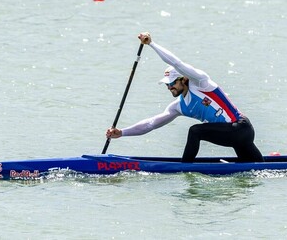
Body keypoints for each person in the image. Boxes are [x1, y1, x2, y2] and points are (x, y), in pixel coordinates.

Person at [106, 32, 264, 163]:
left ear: (184, 79)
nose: (169, 87)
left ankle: (185, 167)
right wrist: (122, 133)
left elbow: (177, 63)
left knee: (195, 131)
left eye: (172, 83)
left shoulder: (201, 83)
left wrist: (152, 44)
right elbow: (151, 124)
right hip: (234, 136)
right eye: (167, 85)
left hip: (240, 127)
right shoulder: (179, 106)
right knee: (256, 166)